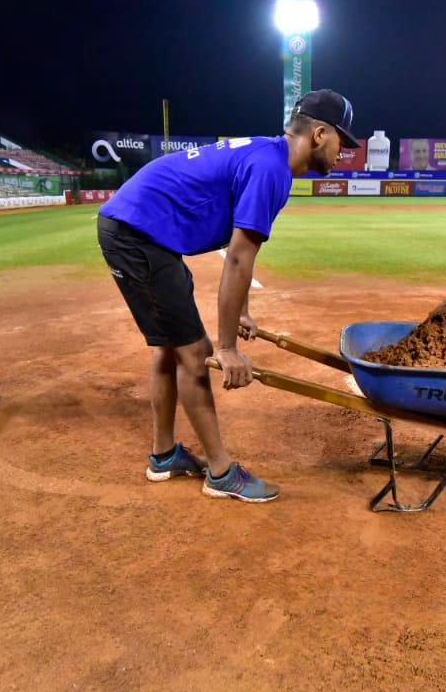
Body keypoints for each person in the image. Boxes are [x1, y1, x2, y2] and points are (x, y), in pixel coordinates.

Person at [97, 88, 356, 503]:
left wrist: (243, 310)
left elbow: (243, 249)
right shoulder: (272, 168)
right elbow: (237, 258)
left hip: (147, 233)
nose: (345, 150)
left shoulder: (271, 158)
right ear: (321, 134)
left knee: (169, 348)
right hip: (136, 233)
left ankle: (163, 456)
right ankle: (221, 473)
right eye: (344, 139)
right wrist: (229, 347)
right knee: (194, 350)